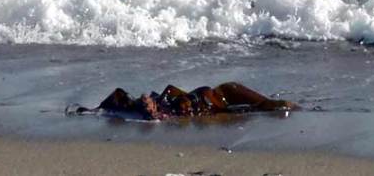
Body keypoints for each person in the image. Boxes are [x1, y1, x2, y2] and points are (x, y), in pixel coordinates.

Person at [82, 82, 297, 120]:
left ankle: (293, 108)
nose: (146, 100)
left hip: (222, 93)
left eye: (146, 99)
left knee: (269, 106)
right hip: (216, 101)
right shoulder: (143, 113)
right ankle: (290, 108)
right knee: (255, 111)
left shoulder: (162, 102)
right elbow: (116, 98)